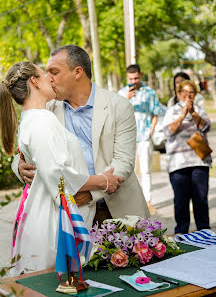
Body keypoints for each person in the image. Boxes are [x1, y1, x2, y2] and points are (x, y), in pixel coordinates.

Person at [0, 62, 124, 275]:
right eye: (43, 73)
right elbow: (57, 174)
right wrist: (103, 181)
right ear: (34, 81)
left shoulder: (36, 117)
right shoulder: (41, 121)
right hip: (52, 222)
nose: (50, 78)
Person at [12, 45, 150, 224]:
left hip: (117, 211)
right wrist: (19, 166)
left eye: (54, 72)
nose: (48, 79)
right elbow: (25, 148)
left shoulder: (119, 106)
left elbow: (124, 162)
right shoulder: (46, 110)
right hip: (72, 215)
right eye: (46, 73)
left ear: (77, 72)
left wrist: (90, 193)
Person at [163, 80, 212, 234]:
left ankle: (204, 234)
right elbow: (167, 131)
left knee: (200, 200)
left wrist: (192, 113)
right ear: (178, 94)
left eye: (191, 92)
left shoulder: (199, 110)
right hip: (178, 163)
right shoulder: (171, 110)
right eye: (184, 92)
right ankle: (181, 235)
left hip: (199, 160)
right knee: (181, 202)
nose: (188, 95)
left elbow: (206, 127)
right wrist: (183, 114)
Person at [118, 64, 160, 215]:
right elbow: (116, 114)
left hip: (144, 138)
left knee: (146, 170)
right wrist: (125, 99)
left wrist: (151, 130)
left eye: (136, 78)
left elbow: (156, 112)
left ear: (141, 75)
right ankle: (131, 203)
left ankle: (148, 202)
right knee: (128, 171)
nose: (133, 81)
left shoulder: (150, 93)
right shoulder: (121, 93)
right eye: (130, 78)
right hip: (127, 138)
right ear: (126, 77)